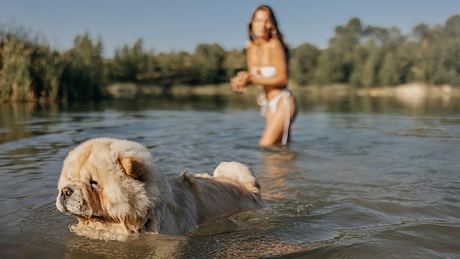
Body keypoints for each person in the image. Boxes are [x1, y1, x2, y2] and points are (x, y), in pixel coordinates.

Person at [231, 5, 296, 147]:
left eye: (267, 21)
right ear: (252, 23)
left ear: (272, 24)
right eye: (259, 20)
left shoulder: (275, 44)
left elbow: (282, 78)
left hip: (282, 102)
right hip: (268, 104)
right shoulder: (250, 46)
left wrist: (252, 79)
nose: (263, 25)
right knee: (279, 152)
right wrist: (243, 79)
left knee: (265, 145)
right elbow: (255, 75)